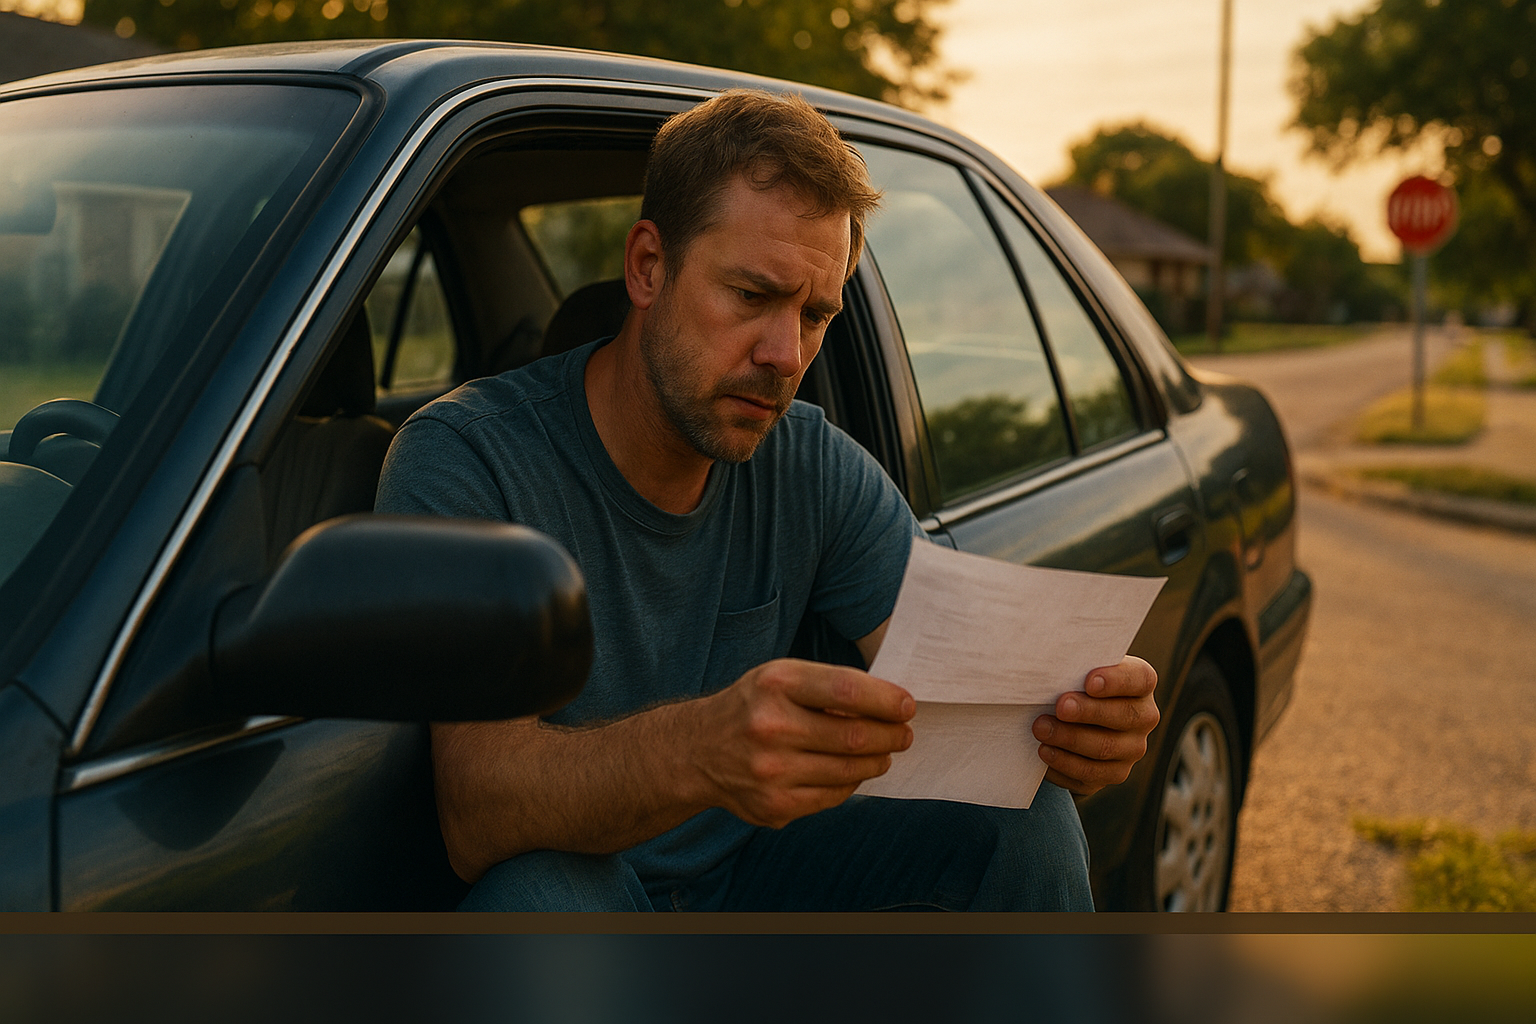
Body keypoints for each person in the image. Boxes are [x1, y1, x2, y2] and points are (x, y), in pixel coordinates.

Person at [375, 89, 1159, 912]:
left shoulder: (809, 461)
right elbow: (475, 813)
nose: (787, 355)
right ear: (648, 266)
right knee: (539, 892)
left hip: (759, 883)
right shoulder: (466, 457)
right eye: (751, 296)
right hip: (586, 895)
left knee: (1025, 812)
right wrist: (705, 746)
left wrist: (1074, 727)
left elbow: (971, 701)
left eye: (815, 314)